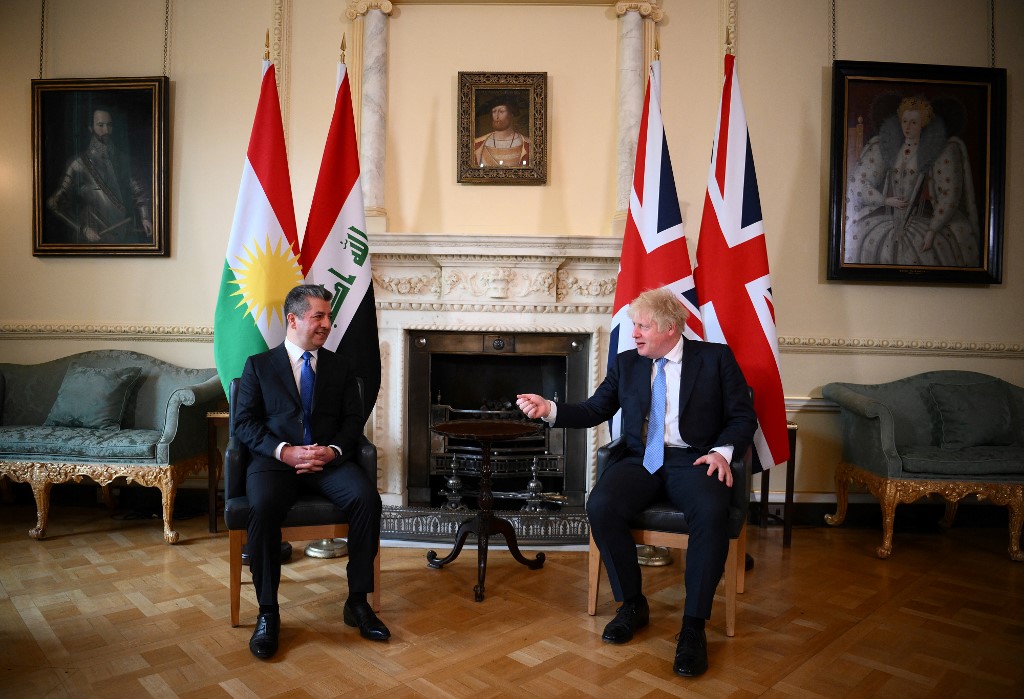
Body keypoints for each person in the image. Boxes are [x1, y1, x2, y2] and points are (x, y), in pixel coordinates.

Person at [516, 287, 756, 678]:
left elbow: (743, 416)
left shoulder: (715, 359)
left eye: (642, 326)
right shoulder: (628, 363)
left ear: (669, 328)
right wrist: (550, 409)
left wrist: (722, 452)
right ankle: (632, 604)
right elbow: (596, 409)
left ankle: (693, 627)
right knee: (600, 505)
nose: (634, 334)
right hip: (640, 458)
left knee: (711, 511)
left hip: (693, 459)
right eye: (634, 325)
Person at [234, 284, 389, 659]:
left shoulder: (340, 366)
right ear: (293, 319)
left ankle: (357, 601)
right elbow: (244, 423)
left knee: (367, 499)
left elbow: (354, 422)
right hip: (276, 463)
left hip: (326, 461)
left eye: (328, 317)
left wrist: (332, 450)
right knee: (263, 506)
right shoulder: (259, 366)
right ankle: (268, 612)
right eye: (318, 316)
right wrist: (284, 451)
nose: (326, 324)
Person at [843, 94, 981, 267]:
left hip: (922, 221)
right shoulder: (885, 147)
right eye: (904, 121)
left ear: (923, 124)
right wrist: (885, 200)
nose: (907, 127)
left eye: (914, 122)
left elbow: (949, 194)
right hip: (887, 221)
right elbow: (858, 185)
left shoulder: (939, 151)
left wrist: (932, 230)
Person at [46, 107, 153, 244]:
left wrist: (145, 217)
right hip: (92, 235)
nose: (106, 131)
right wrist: (83, 229)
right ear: (91, 128)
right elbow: (56, 203)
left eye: (109, 125)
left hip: (122, 234)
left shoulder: (123, 159)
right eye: (100, 125)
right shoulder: (78, 164)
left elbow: (139, 190)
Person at [471, 94, 531, 168]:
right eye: (494, 111)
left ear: (511, 114)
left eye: (501, 111)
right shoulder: (477, 144)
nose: (496, 116)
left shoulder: (527, 144)